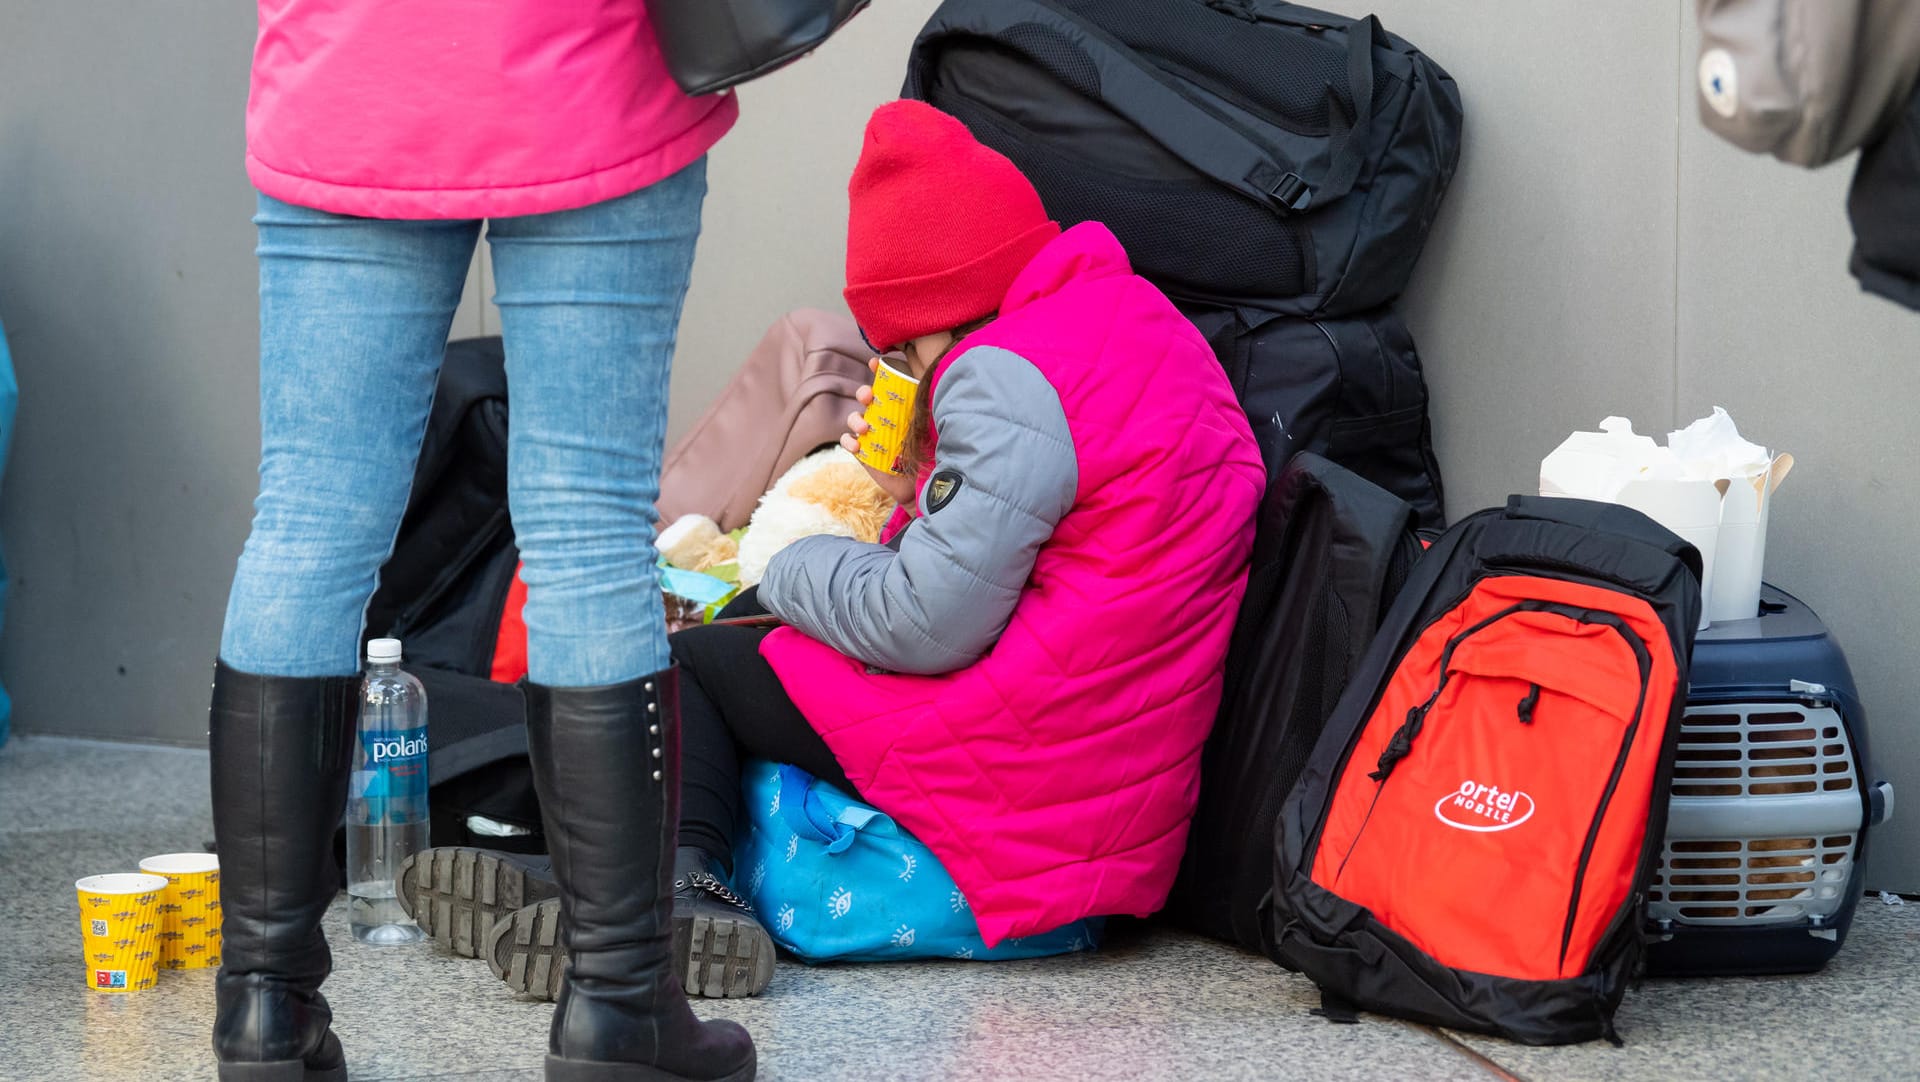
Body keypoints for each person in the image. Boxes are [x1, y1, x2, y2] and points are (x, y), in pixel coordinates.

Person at [469, 99, 1267, 999]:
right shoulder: (1127, 321)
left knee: (696, 661)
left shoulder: (1001, 377)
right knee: (758, 644)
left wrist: (788, 560)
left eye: (904, 347)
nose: (907, 370)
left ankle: (675, 889)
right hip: (1105, 750)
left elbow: (922, 622)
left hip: (1031, 760)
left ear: (942, 306)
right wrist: (915, 491)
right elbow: (1067, 541)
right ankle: (607, 878)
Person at [208, 5, 753, 1081]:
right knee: (587, 531)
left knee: (309, 519)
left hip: (346, 76)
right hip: (584, 76)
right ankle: (619, 1004)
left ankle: (266, 1005)